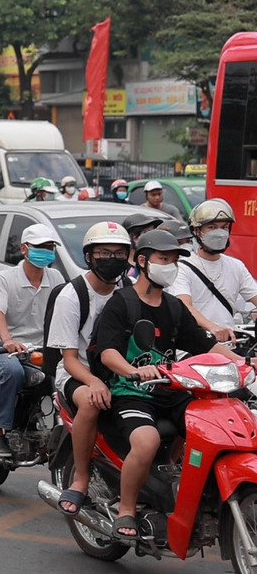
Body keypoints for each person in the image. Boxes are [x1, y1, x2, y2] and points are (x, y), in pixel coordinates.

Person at [90, 229, 249, 539]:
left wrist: (243, 364)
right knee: (147, 440)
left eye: (174, 261)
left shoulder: (174, 306)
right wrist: (134, 371)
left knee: (216, 426)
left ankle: (178, 483)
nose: (171, 266)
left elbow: (207, 346)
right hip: (130, 392)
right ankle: (126, 508)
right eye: (164, 259)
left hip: (169, 389)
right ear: (142, 261)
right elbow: (107, 352)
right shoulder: (122, 303)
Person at [49, 222, 133, 515]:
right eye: (104, 253)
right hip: (78, 373)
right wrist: (94, 383)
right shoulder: (72, 296)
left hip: (122, 373)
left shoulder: (129, 291)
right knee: (90, 402)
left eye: (120, 253)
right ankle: (81, 477)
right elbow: (69, 358)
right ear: (89, 256)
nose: (112, 259)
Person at [0, 224, 65, 457]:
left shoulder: (56, 277)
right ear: (25, 249)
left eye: (50, 247)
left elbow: (65, 312)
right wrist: (7, 340)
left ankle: (37, 422)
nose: (46, 251)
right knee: (13, 372)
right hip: (0, 348)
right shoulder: (5, 278)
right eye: (41, 247)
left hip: (39, 350)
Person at [168, 199, 257, 344]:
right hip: (194, 347)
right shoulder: (182, 267)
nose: (219, 233)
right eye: (212, 227)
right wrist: (212, 328)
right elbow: (184, 305)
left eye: (224, 227)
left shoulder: (236, 266)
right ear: (197, 231)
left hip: (229, 345)